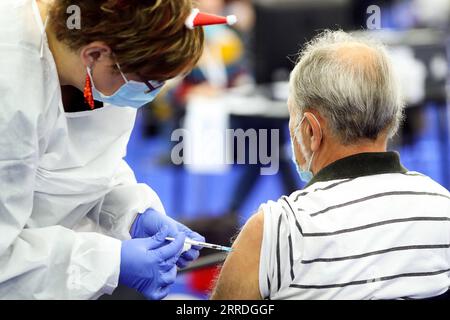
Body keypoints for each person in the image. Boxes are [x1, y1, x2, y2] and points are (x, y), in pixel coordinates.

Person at [0, 0, 225, 300]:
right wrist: (109, 262)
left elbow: (84, 163)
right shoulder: (10, 88)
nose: (154, 93)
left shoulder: (103, 69)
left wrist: (133, 214)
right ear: (94, 54)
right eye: (150, 82)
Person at [211, 30, 450, 300]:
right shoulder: (443, 208)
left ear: (312, 131)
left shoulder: (275, 231)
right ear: (392, 118)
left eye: (293, 119)